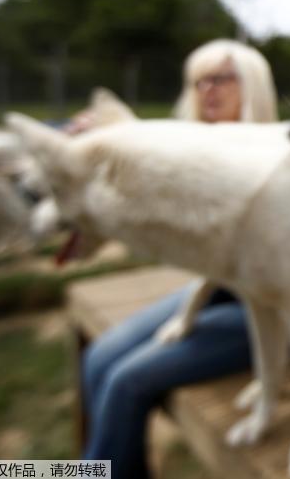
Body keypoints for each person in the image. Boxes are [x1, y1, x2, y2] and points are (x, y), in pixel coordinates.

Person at [81, 40, 278, 478]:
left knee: (124, 383)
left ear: (252, 84)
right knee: (97, 359)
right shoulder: (195, 146)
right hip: (210, 295)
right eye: (199, 80)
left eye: (221, 78)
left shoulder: (272, 154)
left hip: (265, 311)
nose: (208, 89)